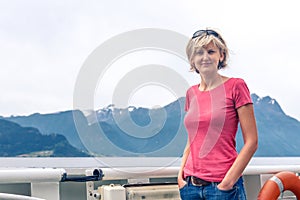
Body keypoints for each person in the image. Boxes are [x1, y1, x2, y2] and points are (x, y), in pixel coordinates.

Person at [178, 29, 258, 200]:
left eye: (211, 51)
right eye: (199, 52)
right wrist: (181, 175)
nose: (205, 57)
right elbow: (191, 139)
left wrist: (227, 183)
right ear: (192, 59)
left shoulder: (236, 86)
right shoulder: (191, 93)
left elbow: (252, 142)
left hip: (222, 187)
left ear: (221, 56)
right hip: (190, 187)